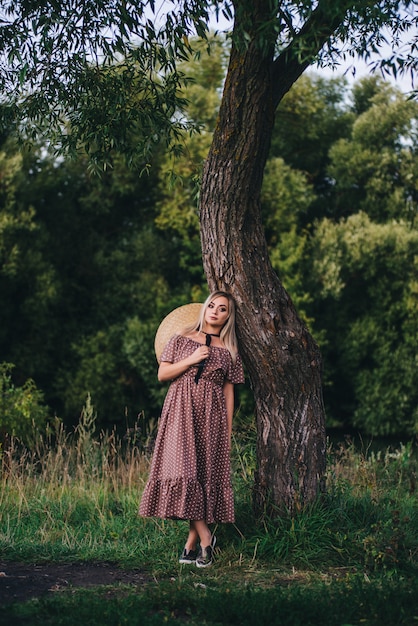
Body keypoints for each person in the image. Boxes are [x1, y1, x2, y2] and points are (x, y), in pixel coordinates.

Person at [139, 291, 244, 567]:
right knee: (183, 471)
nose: (214, 311)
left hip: (212, 416)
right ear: (204, 308)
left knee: (202, 477)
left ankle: (189, 546)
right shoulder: (181, 338)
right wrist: (192, 358)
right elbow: (163, 374)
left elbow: (229, 392)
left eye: (222, 309)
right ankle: (207, 538)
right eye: (211, 305)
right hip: (180, 410)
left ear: (227, 316)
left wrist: (227, 430)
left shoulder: (230, 350)